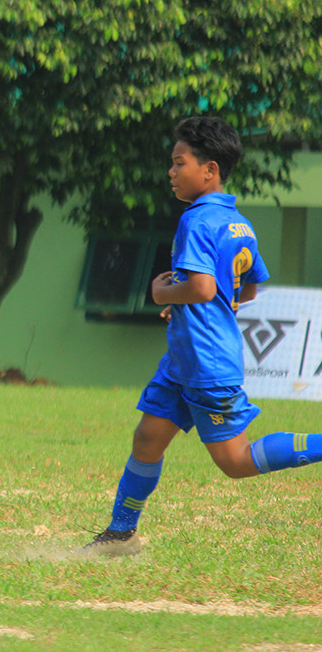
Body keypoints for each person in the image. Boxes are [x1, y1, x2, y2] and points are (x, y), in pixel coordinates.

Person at [82, 116, 322, 557]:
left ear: (208, 169)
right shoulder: (238, 222)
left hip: (207, 363)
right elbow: (246, 286)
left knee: (236, 462)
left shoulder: (196, 220)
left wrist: (161, 292)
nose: (171, 172)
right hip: (183, 360)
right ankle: (120, 535)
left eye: (179, 163)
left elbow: (203, 288)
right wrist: (198, 307)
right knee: (147, 438)